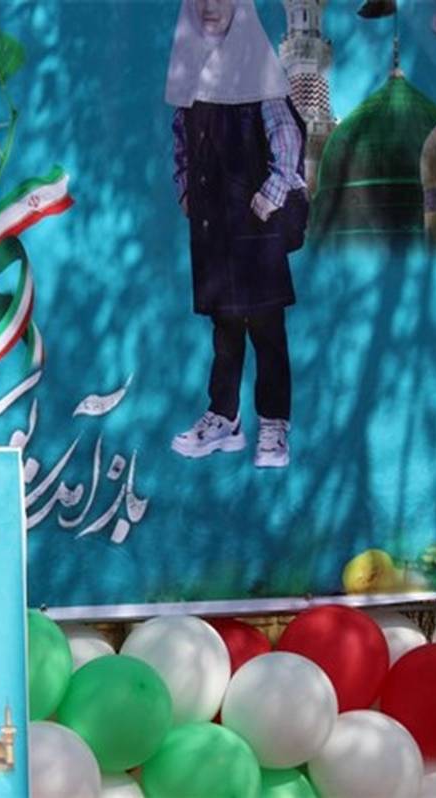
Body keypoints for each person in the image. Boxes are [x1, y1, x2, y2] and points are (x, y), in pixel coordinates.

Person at [164, 0, 306, 469]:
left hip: (255, 231)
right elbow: (182, 142)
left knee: (266, 329)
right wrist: (187, 192)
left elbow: (286, 136)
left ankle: (274, 424)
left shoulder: (257, 70)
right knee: (225, 328)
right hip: (214, 230)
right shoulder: (191, 76)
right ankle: (224, 416)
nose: (210, 7)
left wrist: (271, 195)